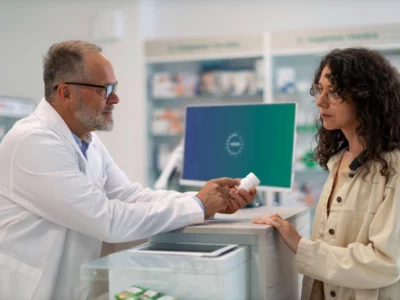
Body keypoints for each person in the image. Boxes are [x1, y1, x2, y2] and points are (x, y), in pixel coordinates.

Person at [0, 40, 256, 300]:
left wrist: (203, 199)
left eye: (114, 87)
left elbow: (129, 195)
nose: (115, 98)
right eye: (105, 89)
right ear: (66, 93)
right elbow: (107, 220)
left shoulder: (87, 141)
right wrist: (198, 206)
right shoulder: (32, 141)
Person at [254, 48, 400, 299]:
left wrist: (301, 246)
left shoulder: (393, 169)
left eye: (333, 92)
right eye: (318, 90)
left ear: (366, 97)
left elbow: (386, 263)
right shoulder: (338, 162)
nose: (320, 101)